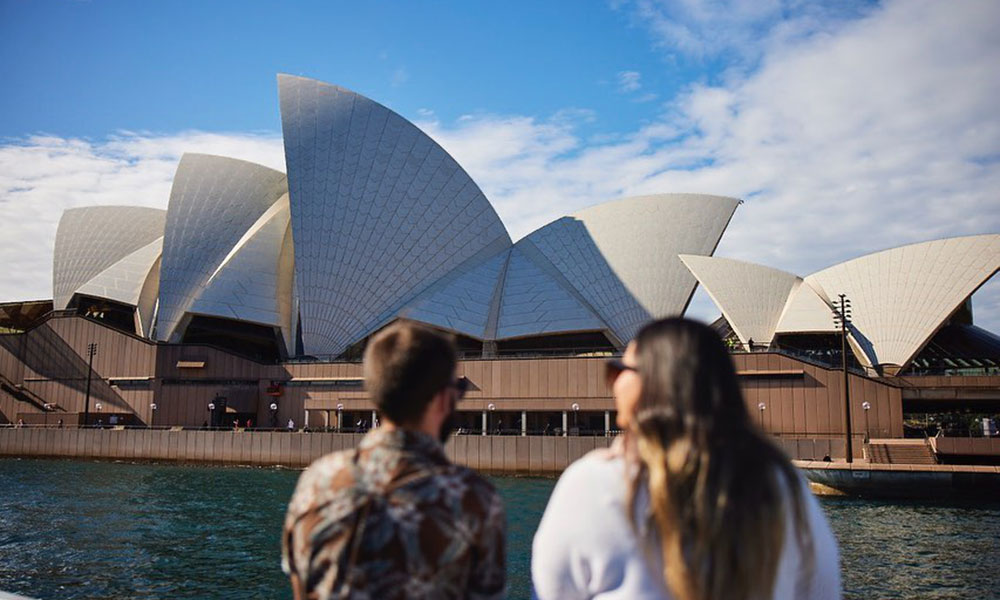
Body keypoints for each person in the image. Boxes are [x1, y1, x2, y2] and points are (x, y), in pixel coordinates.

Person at [532, 318, 840, 600]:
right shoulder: (782, 484)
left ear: (652, 383)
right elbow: (822, 592)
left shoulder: (594, 483)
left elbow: (551, 592)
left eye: (618, 371)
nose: (612, 383)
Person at [282, 321, 505, 599]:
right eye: (456, 391)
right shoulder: (473, 498)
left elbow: (301, 589)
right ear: (441, 398)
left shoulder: (316, 483)